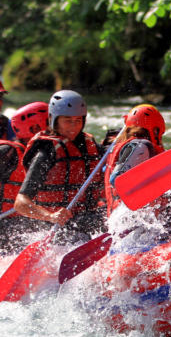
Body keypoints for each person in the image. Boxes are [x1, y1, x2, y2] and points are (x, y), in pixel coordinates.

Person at [14, 89, 105, 243]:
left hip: (86, 219)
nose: (73, 126)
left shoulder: (90, 145)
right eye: (67, 120)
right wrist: (51, 216)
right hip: (53, 227)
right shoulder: (47, 151)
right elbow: (20, 203)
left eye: (78, 120)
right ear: (53, 119)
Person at [0, 102, 48, 253]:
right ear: (34, 128)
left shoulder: (52, 152)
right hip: (6, 224)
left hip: (27, 221)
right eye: (51, 124)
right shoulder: (8, 153)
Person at [104, 103, 165, 217]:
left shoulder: (123, 146)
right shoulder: (141, 146)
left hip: (118, 216)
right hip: (133, 219)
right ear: (155, 130)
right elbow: (117, 179)